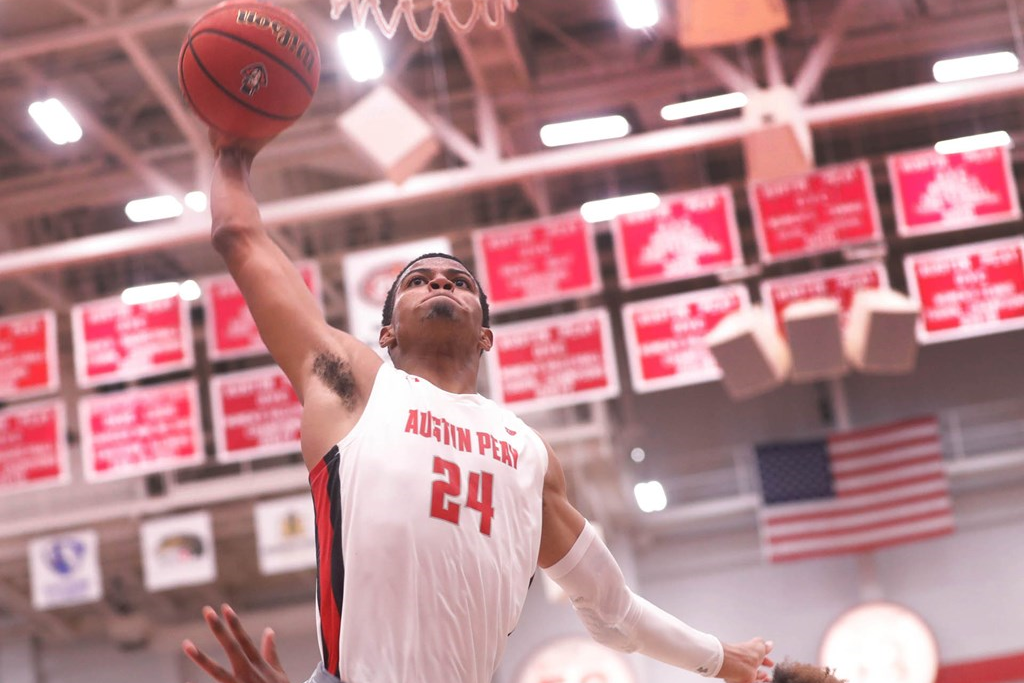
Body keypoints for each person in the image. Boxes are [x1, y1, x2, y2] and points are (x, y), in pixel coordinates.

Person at [181, 134, 775, 683]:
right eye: (420, 280)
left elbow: (613, 612)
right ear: (386, 333)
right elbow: (240, 237)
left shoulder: (528, 454)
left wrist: (721, 659)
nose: (440, 283)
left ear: (486, 335)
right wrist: (234, 147)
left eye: (458, 281)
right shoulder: (356, 386)